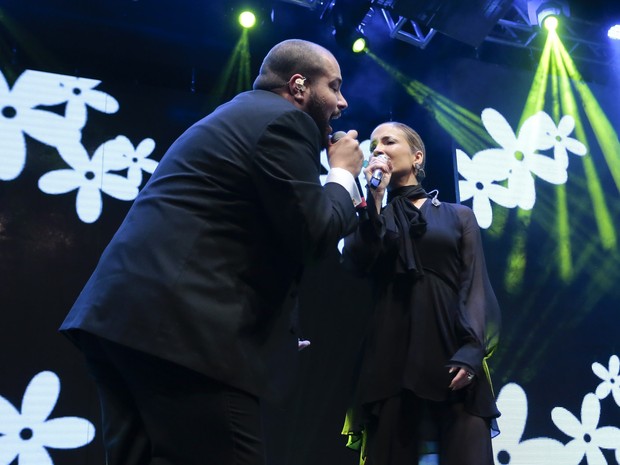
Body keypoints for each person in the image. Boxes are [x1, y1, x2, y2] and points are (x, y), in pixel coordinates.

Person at [59, 39, 364, 465]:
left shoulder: (238, 117)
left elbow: (239, 237)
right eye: (334, 87)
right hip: (180, 336)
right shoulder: (283, 122)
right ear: (299, 87)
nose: (342, 102)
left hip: (122, 323)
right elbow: (314, 234)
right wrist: (343, 175)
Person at [341, 122, 501, 465]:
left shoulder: (458, 216)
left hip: (451, 346)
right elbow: (357, 260)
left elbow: (472, 284)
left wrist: (473, 350)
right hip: (392, 350)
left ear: (417, 157)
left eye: (388, 141)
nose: (378, 150)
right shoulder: (372, 210)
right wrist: (375, 200)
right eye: (373, 145)